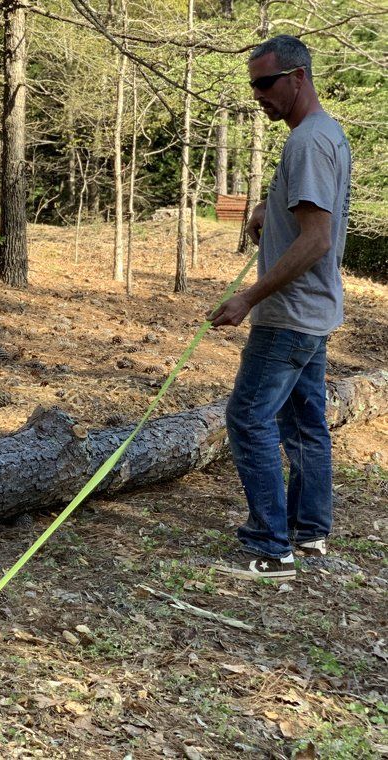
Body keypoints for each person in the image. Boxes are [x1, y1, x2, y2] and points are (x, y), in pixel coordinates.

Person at [209, 36, 351, 580]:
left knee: (248, 418)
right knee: (306, 422)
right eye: (253, 86)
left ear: (297, 77)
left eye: (265, 84)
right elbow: (315, 211)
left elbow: (317, 239)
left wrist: (248, 297)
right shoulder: (323, 135)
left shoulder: (307, 143)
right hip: (314, 313)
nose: (258, 96)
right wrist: (273, 209)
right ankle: (310, 531)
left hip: (289, 316)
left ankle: (272, 546)